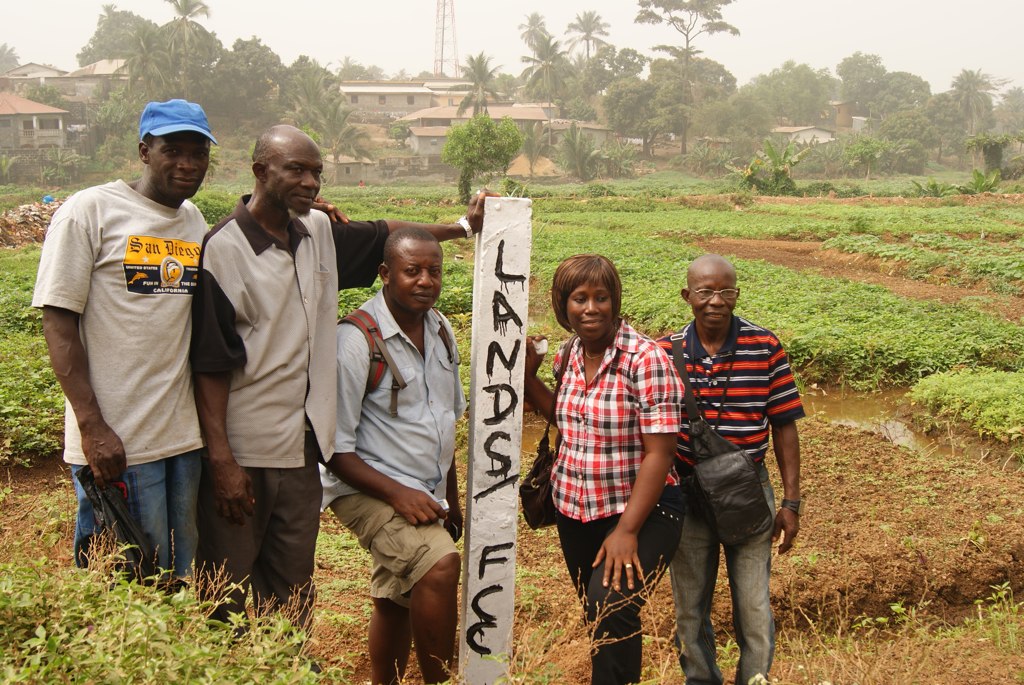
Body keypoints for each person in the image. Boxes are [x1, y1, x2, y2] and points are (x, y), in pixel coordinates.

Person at [189, 124, 486, 631]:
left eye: (317, 173)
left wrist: (462, 225)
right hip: (246, 448)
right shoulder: (223, 249)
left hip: (306, 447)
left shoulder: (317, 231)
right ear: (261, 172)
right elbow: (210, 364)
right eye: (297, 170)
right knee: (229, 587)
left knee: (292, 584)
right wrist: (221, 461)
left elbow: (385, 233)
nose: (311, 183)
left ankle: (285, 664)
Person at [32, 99, 217, 578]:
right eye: (172, 150)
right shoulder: (89, 211)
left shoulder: (193, 221)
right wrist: (93, 428)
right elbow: (58, 321)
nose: (187, 164)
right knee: (121, 581)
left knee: (179, 575)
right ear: (144, 151)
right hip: (117, 442)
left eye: (198, 153)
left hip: (180, 439)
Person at [523, 254, 685, 685]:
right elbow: (564, 417)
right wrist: (526, 378)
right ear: (563, 305)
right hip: (577, 511)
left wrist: (627, 531)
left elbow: (660, 454)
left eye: (601, 297)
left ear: (615, 301)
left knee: (611, 604)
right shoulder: (568, 355)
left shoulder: (646, 360)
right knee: (601, 617)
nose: (591, 308)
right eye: (579, 298)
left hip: (642, 511)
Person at [322, 227, 464, 685]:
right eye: (412, 271)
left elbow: (444, 424)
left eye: (434, 271)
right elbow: (334, 450)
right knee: (439, 566)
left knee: (394, 595)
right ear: (385, 274)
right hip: (364, 484)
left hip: (422, 486)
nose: (425, 280)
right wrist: (399, 494)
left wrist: (451, 497)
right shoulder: (355, 341)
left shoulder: (440, 329)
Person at [657, 254, 804, 685]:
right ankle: (702, 680)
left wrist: (791, 502)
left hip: (748, 490)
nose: (716, 301)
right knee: (689, 608)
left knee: (754, 607)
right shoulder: (666, 352)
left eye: (726, 291)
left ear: (737, 294)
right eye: (705, 291)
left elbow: (784, 426)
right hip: (689, 490)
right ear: (688, 296)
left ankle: (754, 680)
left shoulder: (765, 346)